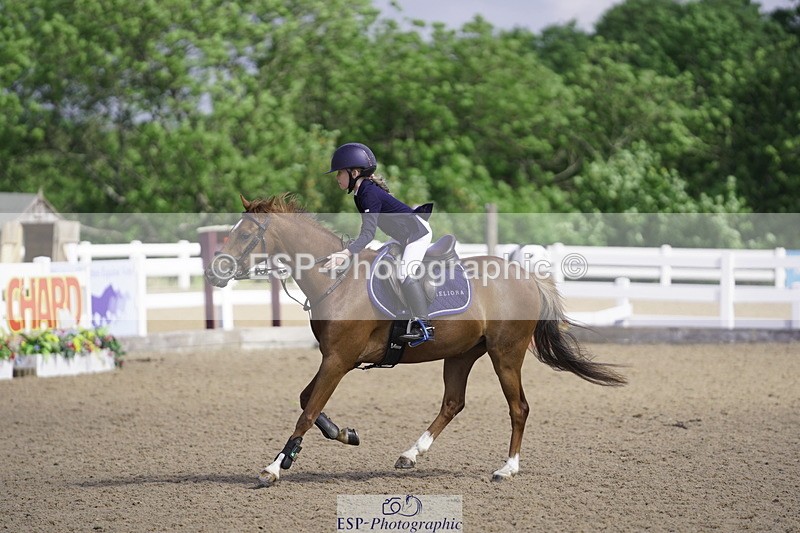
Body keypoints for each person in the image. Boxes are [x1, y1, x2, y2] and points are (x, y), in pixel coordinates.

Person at [323, 142, 435, 343]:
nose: (337, 177)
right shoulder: (360, 193)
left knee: (404, 273)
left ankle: (424, 325)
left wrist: (345, 254)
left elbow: (367, 234)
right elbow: (367, 233)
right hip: (402, 235)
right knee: (380, 261)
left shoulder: (368, 193)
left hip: (417, 233)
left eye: (339, 172)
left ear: (354, 173)